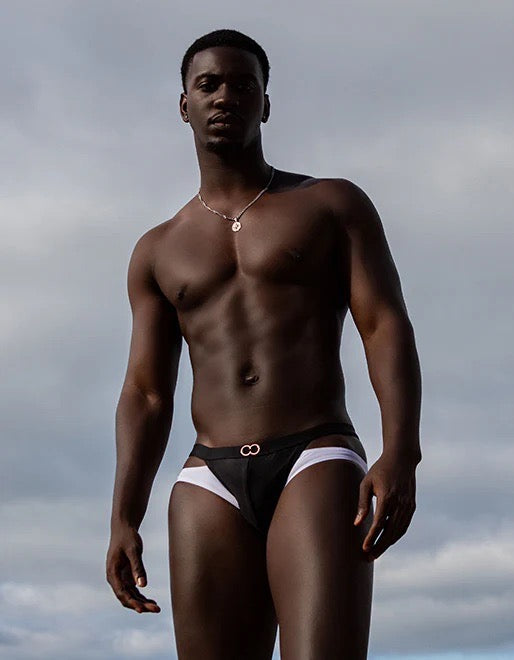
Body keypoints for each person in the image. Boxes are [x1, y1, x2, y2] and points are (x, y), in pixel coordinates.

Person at [106, 28, 422, 660]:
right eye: (208, 84)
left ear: (266, 104)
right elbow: (145, 392)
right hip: (208, 476)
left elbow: (384, 325)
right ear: (185, 105)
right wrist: (123, 516)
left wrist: (401, 452)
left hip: (315, 454)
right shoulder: (158, 250)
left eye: (243, 85)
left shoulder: (329, 204)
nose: (225, 96)